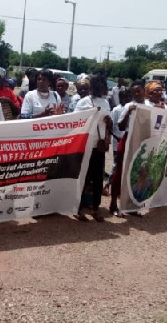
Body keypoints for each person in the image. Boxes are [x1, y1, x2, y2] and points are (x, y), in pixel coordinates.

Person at [74, 75, 112, 222]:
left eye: (101, 85)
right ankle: (78, 208)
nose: (99, 88)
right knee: (83, 177)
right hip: (86, 145)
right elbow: (76, 122)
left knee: (97, 179)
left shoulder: (106, 103)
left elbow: (109, 125)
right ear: (91, 87)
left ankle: (95, 208)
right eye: (96, 86)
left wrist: (109, 122)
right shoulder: (83, 102)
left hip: (99, 146)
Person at [111, 81, 147, 216]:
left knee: (139, 173)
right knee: (120, 172)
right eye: (134, 92)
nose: (137, 94)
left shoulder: (150, 106)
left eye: (139, 91)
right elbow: (120, 126)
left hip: (143, 140)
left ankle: (131, 206)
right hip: (128, 139)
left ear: (144, 91)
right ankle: (113, 203)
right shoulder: (128, 106)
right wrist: (128, 114)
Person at [106, 89, 132, 196]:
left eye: (128, 96)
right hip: (118, 142)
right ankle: (108, 184)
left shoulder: (132, 108)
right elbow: (111, 127)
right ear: (120, 98)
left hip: (128, 140)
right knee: (116, 165)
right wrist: (117, 137)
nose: (127, 98)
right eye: (124, 96)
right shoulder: (116, 110)